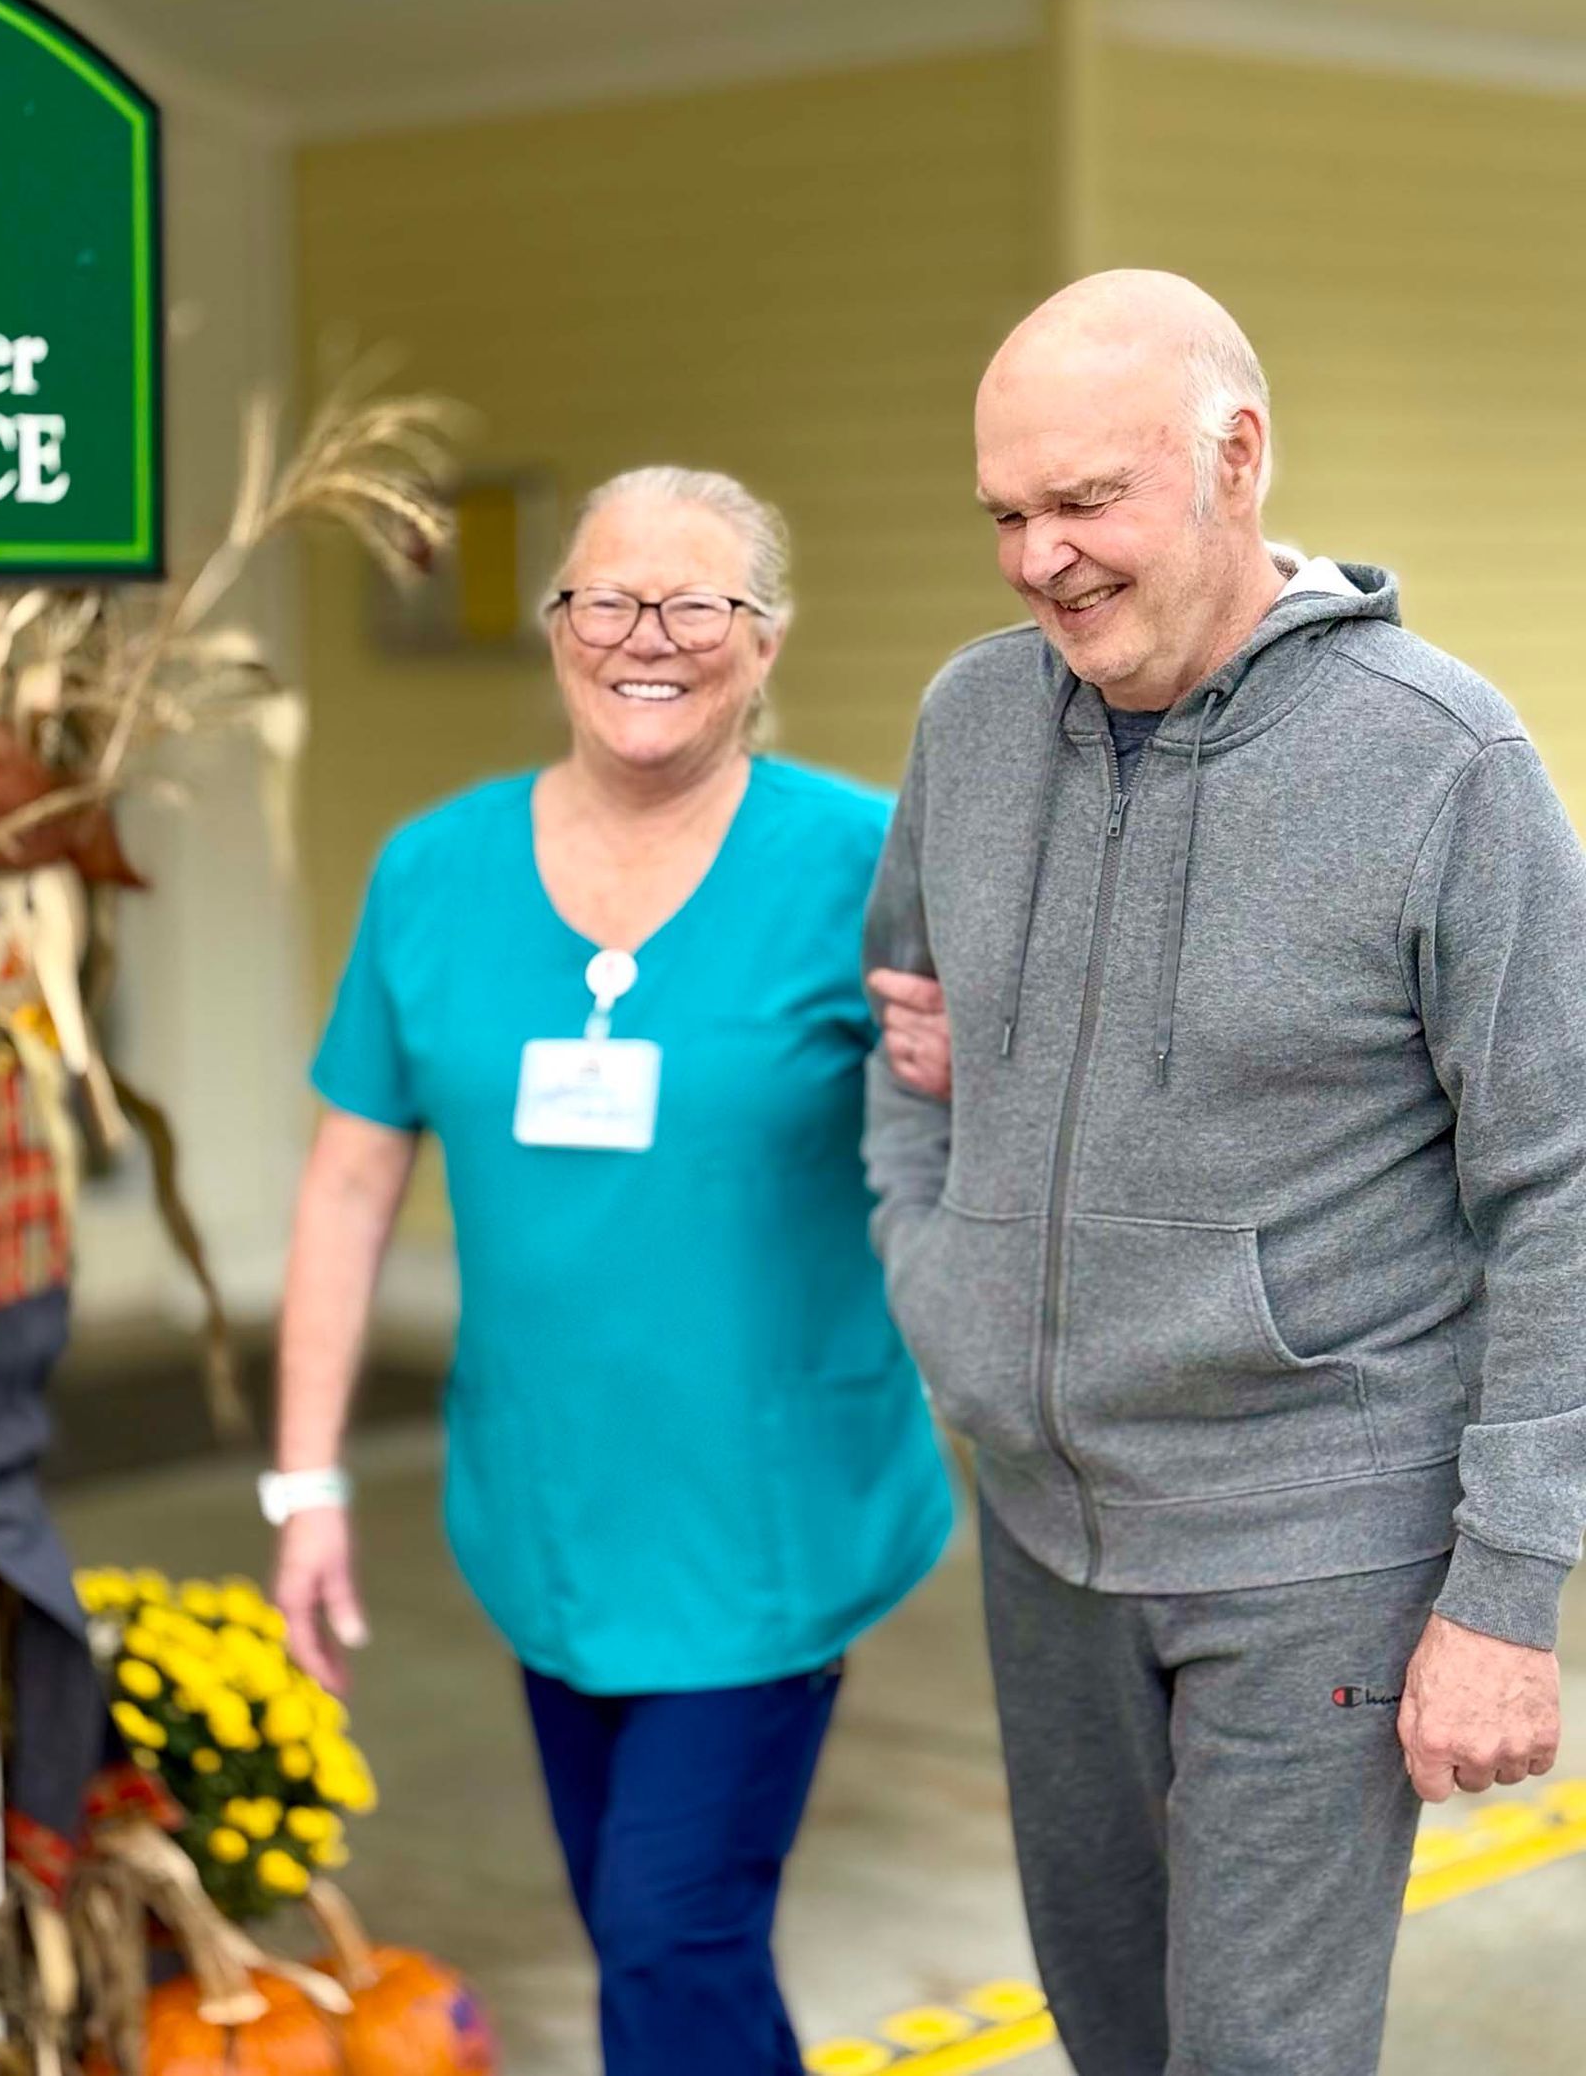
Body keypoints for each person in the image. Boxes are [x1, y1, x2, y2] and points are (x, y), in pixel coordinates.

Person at [864, 267, 1586, 2076]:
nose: (1040, 559)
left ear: (1234, 457)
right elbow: (903, 1030)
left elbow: (1558, 1182)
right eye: (1009, 515)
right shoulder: (968, 721)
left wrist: (1506, 1589)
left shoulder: (1444, 760)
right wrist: (932, 1268)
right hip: (1045, 1535)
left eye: (1084, 501)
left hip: (1314, 1540)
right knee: (1113, 2035)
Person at [270, 465, 954, 2076]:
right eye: (606, 599)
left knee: (670, 1931)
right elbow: (353, 1176)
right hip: (549, 1516)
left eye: (696, 602)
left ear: (765, 641)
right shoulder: (432, 872)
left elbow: (997, 1135)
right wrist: (303, 1482)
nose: (646, 636)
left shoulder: (870, 860)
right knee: (650, 1927)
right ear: (559, 625)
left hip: (770, 1519)